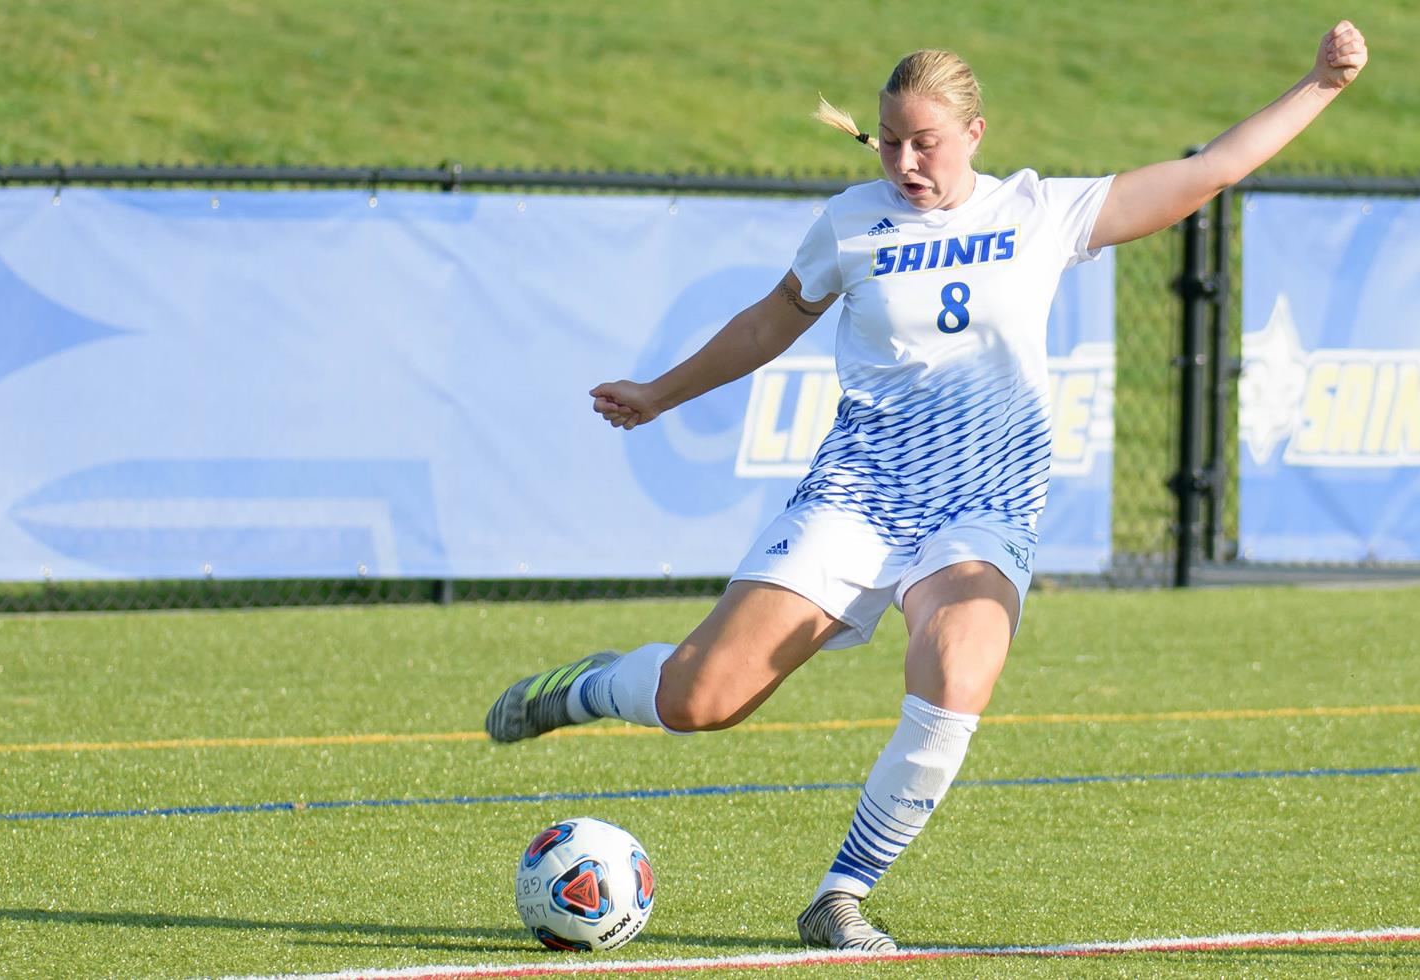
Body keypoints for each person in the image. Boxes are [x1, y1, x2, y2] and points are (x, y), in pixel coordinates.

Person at [488, 24, 1368, 951]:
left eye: (927, 142)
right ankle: (582, 690)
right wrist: (661, 393)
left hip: (983, 506)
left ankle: (839, 896)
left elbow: (1209, 172)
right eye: (890, 140)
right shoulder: (852, 221)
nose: (905, 161)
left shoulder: (1037, 214)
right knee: (702, 699)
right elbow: (770, 321)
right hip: (860, 494)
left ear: (976, 133)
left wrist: (1320, 84)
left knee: (957, 670)